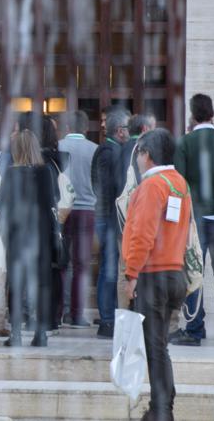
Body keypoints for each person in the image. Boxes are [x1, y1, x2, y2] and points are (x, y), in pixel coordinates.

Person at [122, 128, 191, 421]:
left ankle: (161, 410)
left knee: (154, 348)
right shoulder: (179, 183)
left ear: (146, 154)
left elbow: (142, 234)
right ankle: (162, 406)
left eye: (138, 153)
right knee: (159, 346)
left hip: (153, 275)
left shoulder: (151, 186)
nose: (137, 160)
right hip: (174, 272)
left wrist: (131, 274)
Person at [172, 94, 214, 347]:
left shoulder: (185, 143)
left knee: (194, 274)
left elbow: (179, 185)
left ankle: (195, 329)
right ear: (212, 113)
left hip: (196, 219)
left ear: (192, 114)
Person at [0, 129, 56, 347]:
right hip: (41, 236)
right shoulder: (46, 172)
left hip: (17, 236)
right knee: (42, 284)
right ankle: (40, 334)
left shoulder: (11, 173)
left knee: (16, 284)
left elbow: (0, 205)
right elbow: (52, 203)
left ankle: (16, 335)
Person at [91, 105, 130, 338]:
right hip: (108, 217)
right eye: (127, 127)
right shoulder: (109, 152)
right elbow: (107, 188)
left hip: (108, 217)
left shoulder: (112, 150)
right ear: (120, 130)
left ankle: (111, 316)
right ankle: (107, 320)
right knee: (109, 269)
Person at [58, 110, 98, 328]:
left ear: (67, 127)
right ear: (86, 128)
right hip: (86, 209)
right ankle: (76, 314)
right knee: (81, 265)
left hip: (62, 209)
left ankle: (59, 310)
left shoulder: (58, 146)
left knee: (61, 261)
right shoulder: (95, 149)